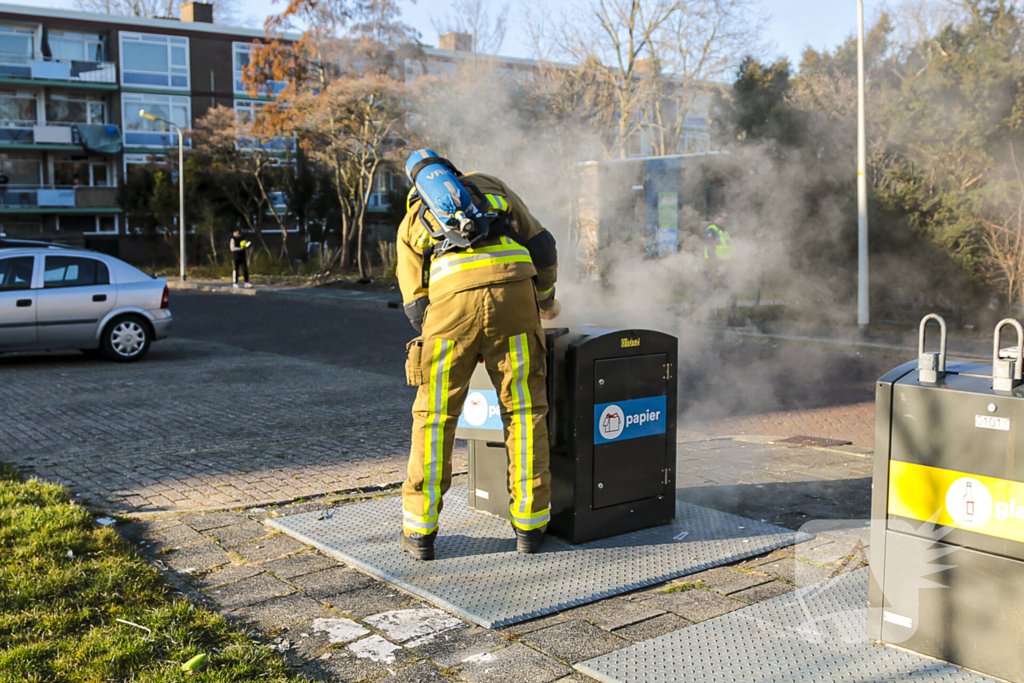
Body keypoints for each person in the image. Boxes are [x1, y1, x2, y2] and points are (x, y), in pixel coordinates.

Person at [396, 149, 559, 561]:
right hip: (515, 296)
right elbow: (543, 246)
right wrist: (544, 300)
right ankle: (530, 524)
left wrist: (456, 336)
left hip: (450, 311)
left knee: (434, 417)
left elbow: (415, 305)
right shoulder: (489, 185)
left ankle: (420, 533)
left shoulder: (413, 218)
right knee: (524, 412)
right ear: (452, 169)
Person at [702, 213, 737, 323]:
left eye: (727, 218)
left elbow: (729, 250)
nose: (726, 220)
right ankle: (685, 316)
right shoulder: (711, 231)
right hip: (714, 268)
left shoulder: (724, 232)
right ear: (717, 217)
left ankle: (731, 319)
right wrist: (718, 266)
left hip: (726, 268)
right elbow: (710, 250)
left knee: (733, 291)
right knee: (705, 294)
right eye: (724, 217)